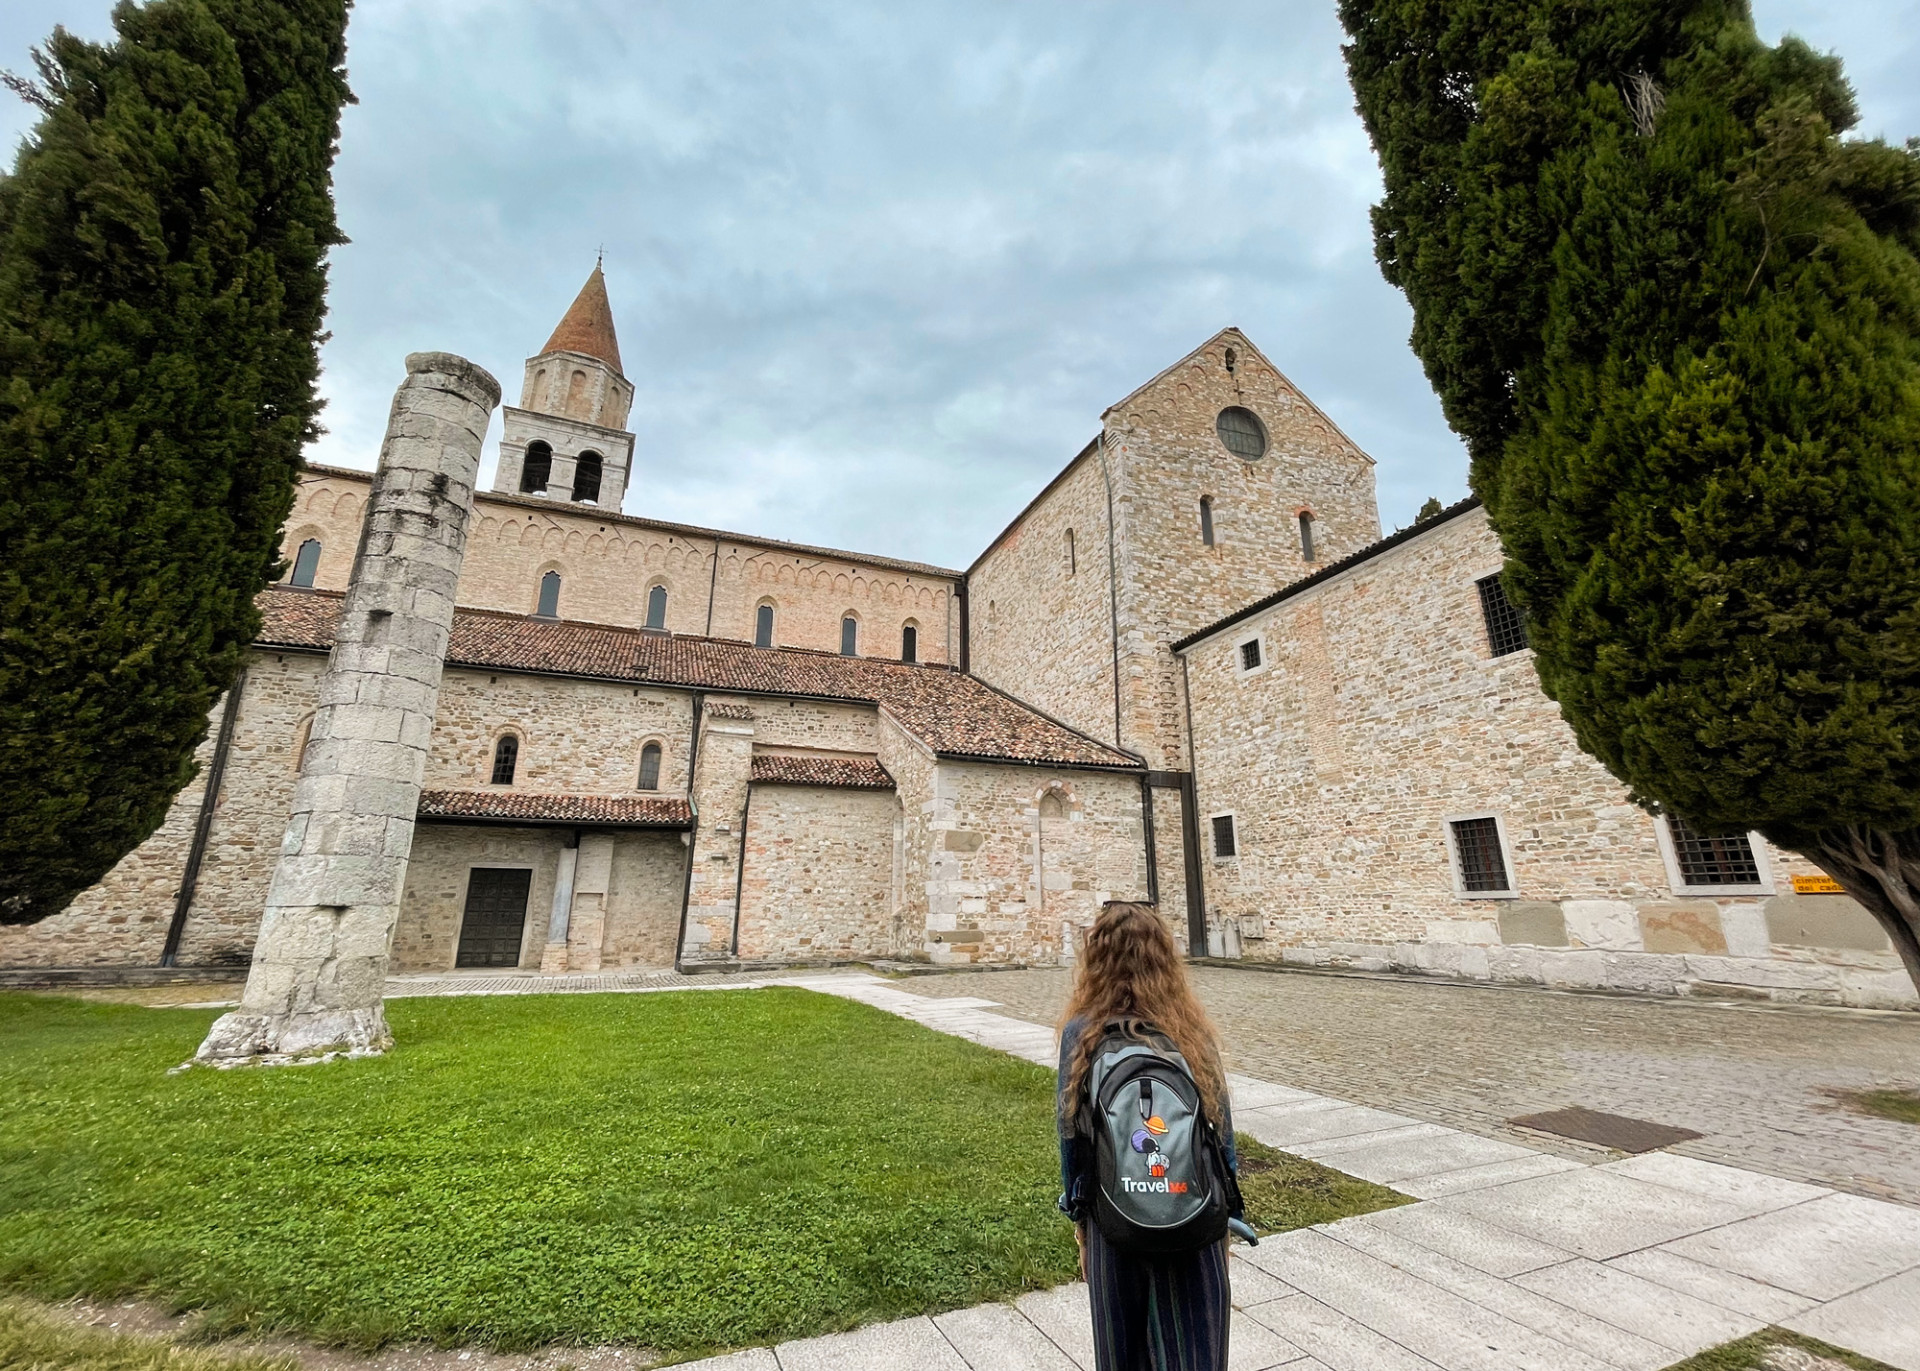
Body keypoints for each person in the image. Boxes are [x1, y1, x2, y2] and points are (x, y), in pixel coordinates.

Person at [1057, 902, 1238, 1371]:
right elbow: (1221, 1134)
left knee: (1122, 1352)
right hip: (1193, 1215)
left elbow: (1072, 1137)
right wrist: (1227, 1218)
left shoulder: (1082, 1031)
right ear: (1165, 958)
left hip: (1115, 1222)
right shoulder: (1190, 1029)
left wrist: (1081, 1223)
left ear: (1096, 958)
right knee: (1195, 1353)